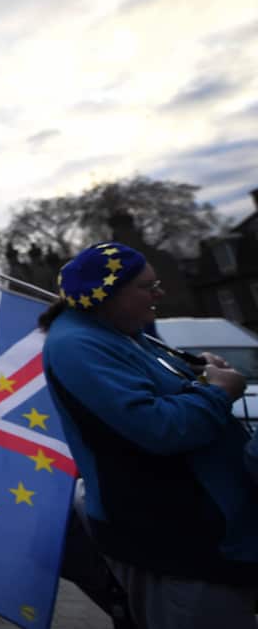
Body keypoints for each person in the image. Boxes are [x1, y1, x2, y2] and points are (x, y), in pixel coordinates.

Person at [41, 241, 258, 629]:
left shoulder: (119, 332)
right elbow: (159, 429)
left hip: (205, 534)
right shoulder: (78, 344)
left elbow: (157, 391)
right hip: (175, 541)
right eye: (148, 286)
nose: (160, 294)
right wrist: (220, 392)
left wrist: (197, 374)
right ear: (110, 294)